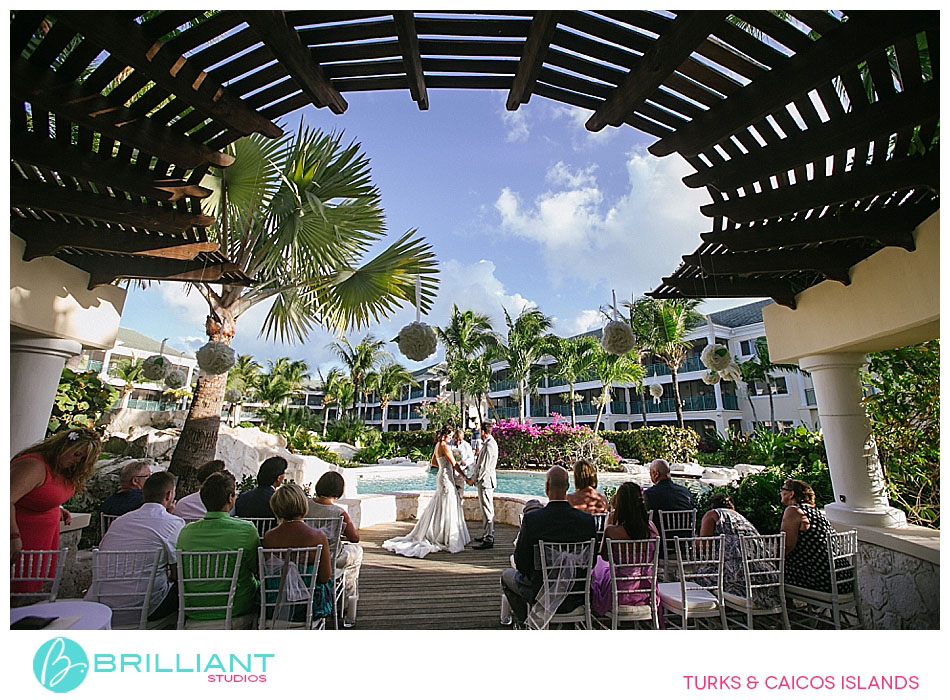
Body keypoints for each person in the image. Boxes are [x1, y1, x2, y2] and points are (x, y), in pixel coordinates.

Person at [501, 466, 597, 626]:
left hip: (540, 594)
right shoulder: (586, 521)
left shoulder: (533, 520)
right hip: (577, 595)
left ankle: (530, 623)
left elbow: (521, 564)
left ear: (546, 488)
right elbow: (591, 563)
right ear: (567, 487)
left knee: (506, 577)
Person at [89, 471, 184, 624]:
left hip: (101, 606)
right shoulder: (174, 523)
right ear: (169, 495)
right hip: (142, 609)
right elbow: (176, 573)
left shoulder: (120, 521)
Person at [11, 429, 101, 587]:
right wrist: (12, 536)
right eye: (76, 454)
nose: (77, 461)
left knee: (21, 591)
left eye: (83, 459)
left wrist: (54, 507)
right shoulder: (34, 466)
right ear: (64, 446)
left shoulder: (62, 469)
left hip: (40, 537)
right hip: (20, 533)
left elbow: (38, 493)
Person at [176, 472, 259, 621]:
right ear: (230, 498)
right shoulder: (246, 530)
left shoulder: (185, 532)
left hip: (193, 606)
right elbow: (257, 568)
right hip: (236, 606)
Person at [382, 426, 470, 558]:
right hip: (446, 478)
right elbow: (454, 465)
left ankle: (438, 531)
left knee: (441, 503)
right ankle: (443, 535)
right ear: (445, 435)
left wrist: (443, 463)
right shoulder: (444, 446)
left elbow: (433, 462)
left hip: (441, 476)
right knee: (448, 503)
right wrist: (465, 477)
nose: (451, 438)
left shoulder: (437, 445)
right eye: (450, 436)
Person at [261, 484, 333, 624]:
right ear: (303, 505)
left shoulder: (269, 537)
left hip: (275, 603)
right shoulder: (318, 536)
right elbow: (325, 577)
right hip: (308, 606)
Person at [307, 470, 363, 627]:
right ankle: (348, 604)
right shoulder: (339, 513)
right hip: (331, 560)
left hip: (306, 558)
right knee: (357, 552)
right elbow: (354, 538)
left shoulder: (304, 506)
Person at [700, 493, 775, 604]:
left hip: (737, 581)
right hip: (765, 579)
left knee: (700, 576)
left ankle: (719, 616)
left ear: (711, 505)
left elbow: (703, 545)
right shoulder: (741, 518)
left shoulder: (713, 514)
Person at [781, 479, 838, 592]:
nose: (780, 493)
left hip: (821, 580)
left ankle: (783, 609)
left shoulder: (793, 511)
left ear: (791, 494)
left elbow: (786, 546)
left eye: (782, 490)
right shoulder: (815, 512)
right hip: (839, 577)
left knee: (771, 575)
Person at [470, 422, 498, 550]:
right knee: (485, 508)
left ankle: (489, 538)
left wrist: (473, 480)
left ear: (482, 431)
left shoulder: (489, 445)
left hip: (486, 482)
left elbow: (483, 467)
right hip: (485, 481)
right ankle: (487, 533)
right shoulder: (489, 444)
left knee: (487, 509)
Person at [644, 458, 694, 529]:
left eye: (651, 473)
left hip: (661, 537)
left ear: (656, 474)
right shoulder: (684, 491)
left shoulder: (649, 494)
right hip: (685, 536)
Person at [449, 428, 475, 502]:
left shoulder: (466, 445)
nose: (458, 442)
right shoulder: (449, 444)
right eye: (456, 439)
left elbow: (471, 458)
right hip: (450, 471)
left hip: (461, 471)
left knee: (459, 492)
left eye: (460, 440)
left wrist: (465, 462)